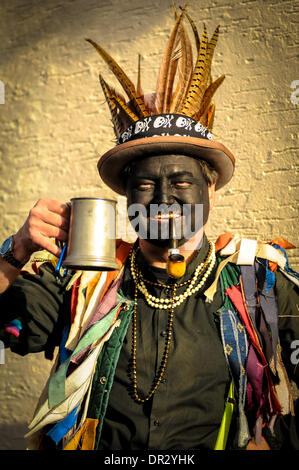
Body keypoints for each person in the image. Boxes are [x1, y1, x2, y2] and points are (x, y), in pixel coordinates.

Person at [0, 7, 298, 451]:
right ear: (126, 199)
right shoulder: (81, 279)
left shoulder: (259, 283)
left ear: (210, 192)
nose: (162, 197)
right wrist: (16, 250)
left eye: (181, 182)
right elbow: (10, 329)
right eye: (144, 184)